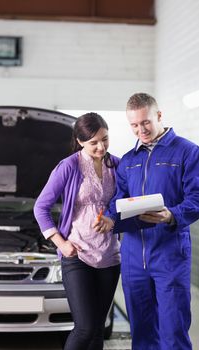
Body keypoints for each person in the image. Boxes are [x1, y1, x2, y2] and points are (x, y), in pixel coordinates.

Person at [93, 93, 199, 350]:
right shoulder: (128, 161)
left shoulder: (187, 152)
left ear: (159, 116)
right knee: (141, 332)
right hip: (133, 257)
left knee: (173, 331)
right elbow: (119, 200)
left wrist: (172, 214)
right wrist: (110, 219)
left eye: (146, 122)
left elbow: (196, 198)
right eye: (134, 125)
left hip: (170, 253)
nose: (141, 130)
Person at [33, 112, 121, 350]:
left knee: (97, 330)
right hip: (77, 254)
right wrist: (61, 243)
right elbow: (41, 207)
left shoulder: (117, 165)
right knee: (84, 328)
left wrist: (113, 217)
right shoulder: (69, 166)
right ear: (80, 141)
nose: (101, 147)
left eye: (105, 139)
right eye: (93, 143)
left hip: (110, 257)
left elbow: (125, 201)